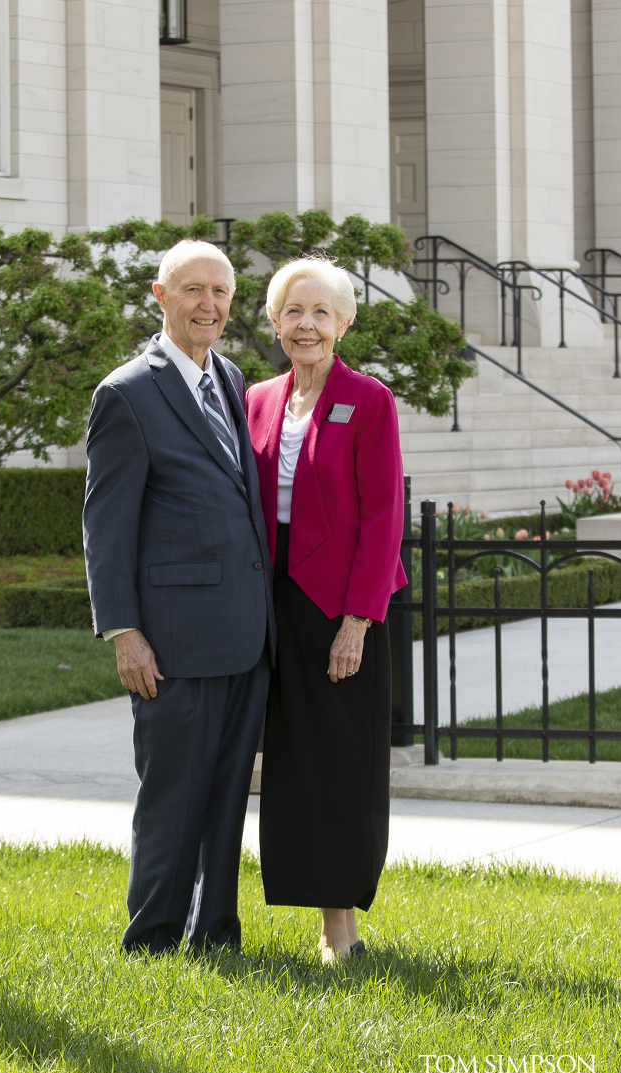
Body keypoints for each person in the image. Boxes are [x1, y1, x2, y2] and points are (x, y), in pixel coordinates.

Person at [83, 239, 276, 956]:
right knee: (172, 797)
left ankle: (215, 934)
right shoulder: (126, 393)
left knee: (227, 796)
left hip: (243, 633)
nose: (209, 304)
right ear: (160, 297)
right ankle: (152, 939)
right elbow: (106, 526)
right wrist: (124, 631)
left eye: (220, 292)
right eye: (192, 290)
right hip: (170, 640)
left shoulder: (228, 376)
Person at [244, 257, 407, 963]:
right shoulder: (256, 398)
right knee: (289, 767)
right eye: (293, 311)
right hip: (271, 604)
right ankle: (296, 907)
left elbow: (383, 519)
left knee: (340, 766)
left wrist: (356, 621)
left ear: (343, 323)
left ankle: (340, 932)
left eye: (320, 312)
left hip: (341, 610)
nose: (305, 325)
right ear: (275, 323)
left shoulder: (368, 400)